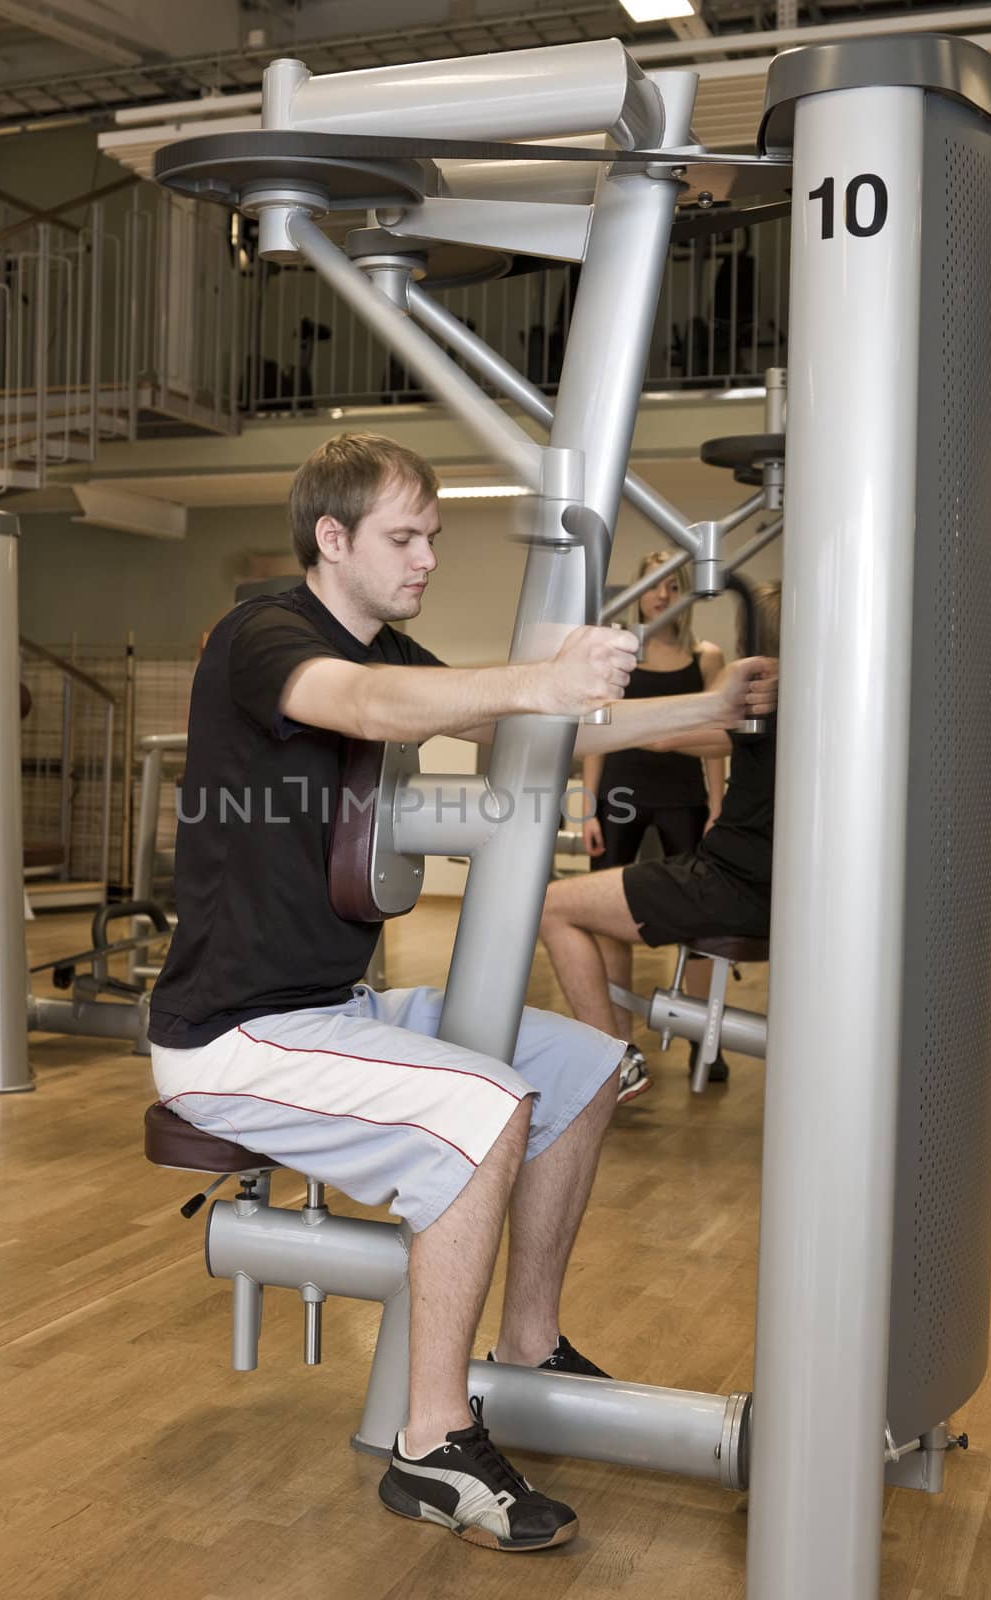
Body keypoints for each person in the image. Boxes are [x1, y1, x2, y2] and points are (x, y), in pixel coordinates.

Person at [147, 434, 775, 1553]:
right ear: (331, 539)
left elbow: (517, 723)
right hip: (232, 1036)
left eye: (433, 534)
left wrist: (703, 712)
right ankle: (430, 1443)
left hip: (329, 1011)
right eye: (405, 535)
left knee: (582, 1070)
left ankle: (527, 1348)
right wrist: (539, 674)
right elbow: (370, 704)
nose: (428, 554)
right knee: (485, 1105)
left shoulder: (386, 641)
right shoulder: (267, 636)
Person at [540, 584, 781, 1054]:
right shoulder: (820, 705)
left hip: (731, 884)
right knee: (598, 901)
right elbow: (703, 740)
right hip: (752, 880)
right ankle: (632, 1048)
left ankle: (612, 1059)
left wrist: (582, 702)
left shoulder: (760, 700)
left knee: (551, 905)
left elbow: (666, 738)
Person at [581, 552, 727, 1091]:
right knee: (604, 909)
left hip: (682, 793)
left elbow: (717, 738)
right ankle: (619, 1043)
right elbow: (598, 730)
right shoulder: (619, 651)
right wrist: (588, 804)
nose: (662, 596)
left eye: (674, 586)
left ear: (688, 592)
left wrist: (717, 805)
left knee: (701, 919)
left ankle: (702, 1042)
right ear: (638, 592)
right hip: (620, 791)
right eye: (653, 586)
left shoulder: (704, 657)